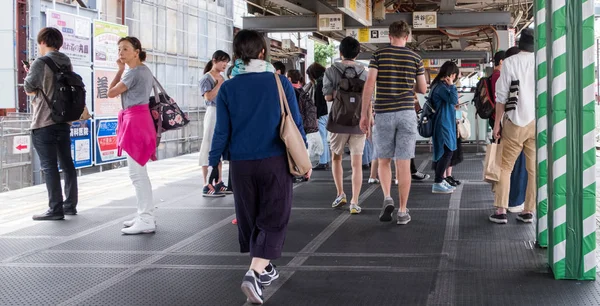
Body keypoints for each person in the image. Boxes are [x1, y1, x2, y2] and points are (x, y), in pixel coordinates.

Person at [209, 29, 310, 304]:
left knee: (251, 218)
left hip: (240, 164)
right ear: (263, 52)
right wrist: (304, 159)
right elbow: (295, 122)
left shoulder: (228, 87)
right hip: (274, 161)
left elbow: (221, 131)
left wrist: (212, 164)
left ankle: (265, 268)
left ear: (238, 53)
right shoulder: (278, 82)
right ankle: (254, 273)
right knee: (274, 217)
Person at [360, 21, 428, 225]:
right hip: (407, 113)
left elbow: (370, 85)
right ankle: (402, 211)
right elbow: (423, 89)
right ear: (407, 37)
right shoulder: (415, 58)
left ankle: (387, 196)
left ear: (389, 36)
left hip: (383, 113)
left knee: (383, 160)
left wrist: (365, 114)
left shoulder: (378, 56)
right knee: (404, 164)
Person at [24, 27, 78, 221]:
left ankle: (55, 208)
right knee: (67, 163)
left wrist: (29, 71)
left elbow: (29, 88)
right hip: (63, 120)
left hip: (44, 121)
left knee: (49, 166)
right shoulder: (66, 60)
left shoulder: (40, 62)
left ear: (42, 42)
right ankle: (70, 205)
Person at [107, 36, 157, 234]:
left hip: (134, 122)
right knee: (139, 172)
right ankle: (144, 214)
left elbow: (111, 93)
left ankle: (146, 218)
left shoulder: (133, 73)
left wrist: (119, 70)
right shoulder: (145, 70)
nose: (121, 53)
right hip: (141, 120)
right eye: (119, 49)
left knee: (137, 174)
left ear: (137, 51)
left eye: (126, 49)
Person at [489, 29, 536, 224]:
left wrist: (497, 124)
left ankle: (501, 210)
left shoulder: (510, 63)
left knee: (505, 167)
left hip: (515, 121)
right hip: (536, 123)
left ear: (519, 43)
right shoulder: (541, 62)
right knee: (533, 169)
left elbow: (501, 96)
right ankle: (528, 211)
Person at [323, 36, 368, 214]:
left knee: (337, 158)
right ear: (358, 53)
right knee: (357, 163)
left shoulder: (331, 71)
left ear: (340, 52)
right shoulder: (365, 72)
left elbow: (327, 97)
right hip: (358, 121)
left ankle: (340, 193)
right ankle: (355, 202)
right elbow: (369, 98)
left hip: (338, 121)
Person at [199, 50, 231, 197]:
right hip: (212, 112)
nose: (225, 64)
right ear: (214, 60)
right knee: (208, 145)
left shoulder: (222, 77)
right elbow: (208, 97)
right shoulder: (207, 78)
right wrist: (219, 85)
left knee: (218, 145)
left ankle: (218, 181)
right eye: (223, 61)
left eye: (226, 62)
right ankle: (206, 183)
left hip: (222, 112)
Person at [429, 62, 460, 194]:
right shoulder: (441, 87)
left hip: (444, 122)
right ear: (452, 75)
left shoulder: (438, 86)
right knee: (447, 152)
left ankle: (440, 180)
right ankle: (438, 181)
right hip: (443, 123)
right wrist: (452, 86)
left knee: (446, 152)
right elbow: (453, 100)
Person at [287, 69, 319, 182]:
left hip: (293, 123)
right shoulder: (303, 91)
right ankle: (304, 169)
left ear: (289, 78)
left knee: (292, 148)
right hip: (304, 123)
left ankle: (297, 170)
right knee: (302, 146)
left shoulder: (289, 91)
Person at [306, 63, 330, 170]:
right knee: (324, 136)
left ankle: (323, 161)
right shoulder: (326, 79)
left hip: (321, 113)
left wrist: (316, 116)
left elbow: (319, 102)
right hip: (327, 113)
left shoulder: (320, 83)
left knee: (322, 137)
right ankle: (326, 160)